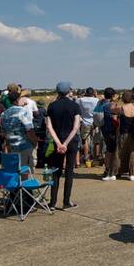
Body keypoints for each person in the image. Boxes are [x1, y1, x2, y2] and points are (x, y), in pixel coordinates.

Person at [45, 81, 83, 210]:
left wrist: (58, 143)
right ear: (68, 91)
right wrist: (66, 143)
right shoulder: (74, 106)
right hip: (71, 141)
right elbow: (76, 126)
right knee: (69, 171)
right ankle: (66, 201)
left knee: (56, 171)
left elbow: (49, 126)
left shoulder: (52, 106)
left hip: (57, 140)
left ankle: (52, 202)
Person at [112, 90, 134, 182]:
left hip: (123, 134)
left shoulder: (121, 108)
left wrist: (115, 100)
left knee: (119, 154)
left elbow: (112, 109)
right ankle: (132, 173)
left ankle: (116, 172)